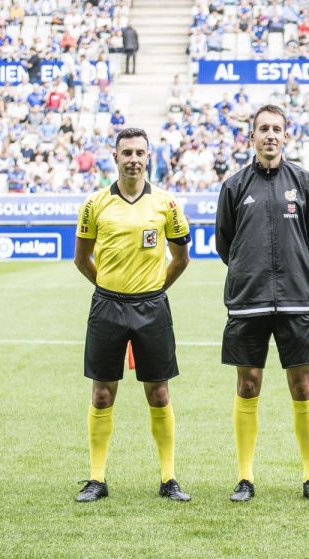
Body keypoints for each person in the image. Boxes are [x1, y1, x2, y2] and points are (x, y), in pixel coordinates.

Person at [215, 105, 309, 502]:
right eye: (262, 129)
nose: (270, 135)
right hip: (248, 302)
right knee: (248, 385)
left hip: (297, 301)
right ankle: (245, 477)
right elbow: (224, 245)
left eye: (276, 129)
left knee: (302, 386)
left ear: (286, 136)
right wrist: (251, 272)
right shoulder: (233, 185)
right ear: (251, 137)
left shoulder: (304, 181)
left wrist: (299, 275)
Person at [73, 127, 192, 503]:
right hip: (107, 305)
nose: (134, 159)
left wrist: (155, 288)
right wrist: (107, 287)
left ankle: (169, 478)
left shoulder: (167, 205)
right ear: (116, 158)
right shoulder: (95, 204)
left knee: (158, 393)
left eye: (140, 152)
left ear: (149, 158)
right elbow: (81, 257)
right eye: (127, 153)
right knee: (103, 393)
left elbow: (181, 257)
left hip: (152, 306)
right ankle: (96, 479)